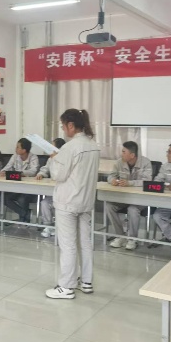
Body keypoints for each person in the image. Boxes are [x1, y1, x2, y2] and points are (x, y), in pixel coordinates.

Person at [45, 109, 100, 299]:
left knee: (68, 245)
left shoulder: (70, 147)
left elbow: (58, 175)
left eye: (63, 125)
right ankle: (86, 281)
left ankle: (66, 286)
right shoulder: (93, 145)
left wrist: (54, 158)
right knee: (85, 243)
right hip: (85, 201)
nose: (62, 129)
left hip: (68, 201)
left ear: (70, 125)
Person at [106, 141, 152, 250]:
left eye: (124, 152)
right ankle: (120, 236)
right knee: (109, 206)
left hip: (140, 199)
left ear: (132, 155)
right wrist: (112, 180)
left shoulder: (146, 163)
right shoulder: (119, 162)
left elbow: (147, 181)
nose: (121, 154)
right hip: (124, 197)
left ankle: (132, 239)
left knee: (132, 209)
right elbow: (110, 176)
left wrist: (130, 183)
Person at [0, 137, 39, 222]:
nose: (16, 149)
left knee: (22, 199)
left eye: (18, 147)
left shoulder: (33, 157)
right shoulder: (15, 156)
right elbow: (7, 167)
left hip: (29, 188)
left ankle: (23, 219)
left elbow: (33, 171)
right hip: (16, 187)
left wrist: (21, 173)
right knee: (4, 198)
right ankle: (24, 214)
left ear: (24, 150)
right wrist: (3, 172)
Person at [35, 138, 66, 238]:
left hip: (64, 193)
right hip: (54, 191)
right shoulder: (50, 159)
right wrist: (41, 174)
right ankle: (48, 226)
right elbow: (45, 169)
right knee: (44, 203)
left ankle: (60, 228)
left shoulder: (65, 160)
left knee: (58, 205)